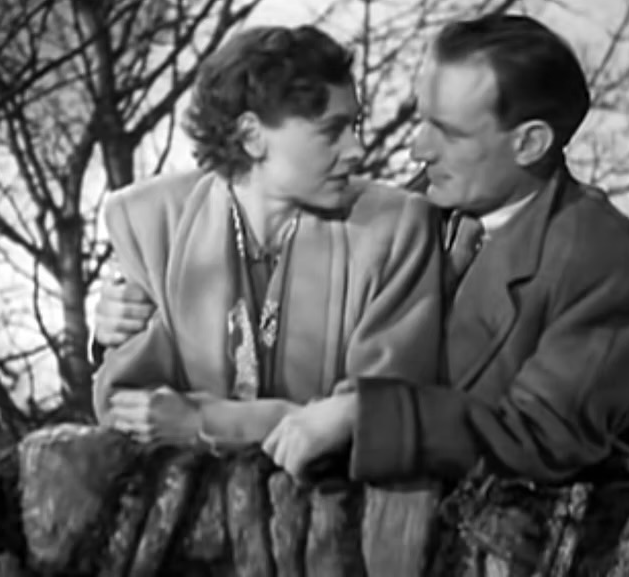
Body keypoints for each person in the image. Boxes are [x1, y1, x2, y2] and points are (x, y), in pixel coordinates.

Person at [260, 13, 629, 483]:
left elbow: (544, 437)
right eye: (421, 120)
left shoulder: (600, 257)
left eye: (449, 133)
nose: (418, 149)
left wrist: (364, 415)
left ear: (530, 143)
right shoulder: (391, 217)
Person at [91, 24, 443, 451]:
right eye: (332, 131)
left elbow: (378, 414)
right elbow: (127, 404)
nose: (356, 150)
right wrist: (302, 419)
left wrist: (209, 421)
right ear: (252, 136)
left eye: (355, 125)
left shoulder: (395, 228)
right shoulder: (152, 222)